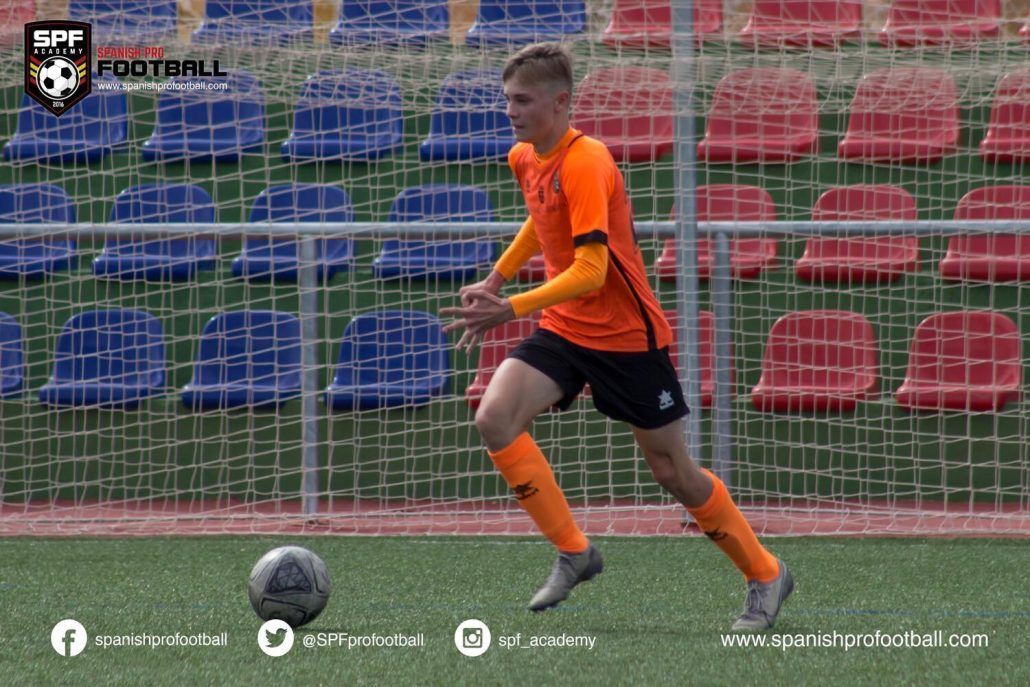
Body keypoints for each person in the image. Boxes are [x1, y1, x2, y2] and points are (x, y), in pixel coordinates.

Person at [439, 43, 793, 631]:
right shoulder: (525, 156)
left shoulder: (588, 161)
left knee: (672, 472)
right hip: (565, 327)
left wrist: (510, 307)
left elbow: (592, 271)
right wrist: (496, 277)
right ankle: (576, 552)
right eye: (507, 100)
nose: (511, 111)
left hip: (627, 337)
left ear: (560, 102)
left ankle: (765, 573)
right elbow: (540, 217)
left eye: (522, 100)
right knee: (494, 417)